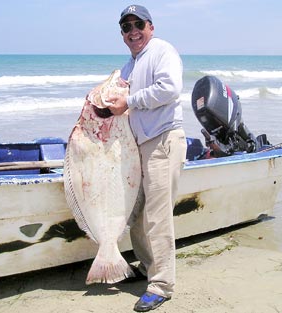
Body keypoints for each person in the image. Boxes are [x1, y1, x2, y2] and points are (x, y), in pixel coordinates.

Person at [107, 4, 187, 312]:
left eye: (137, 23)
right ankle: (148, 264)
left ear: (150, 26)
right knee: (136, 213)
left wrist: (128, 100)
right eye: (126, 27)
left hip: (163, 141)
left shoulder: (162, 51)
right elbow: (122, 102)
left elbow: (169, 89)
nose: (132, 31)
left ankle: (162, 284)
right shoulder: (130, 65)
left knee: (157, 215)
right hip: (139, 147)